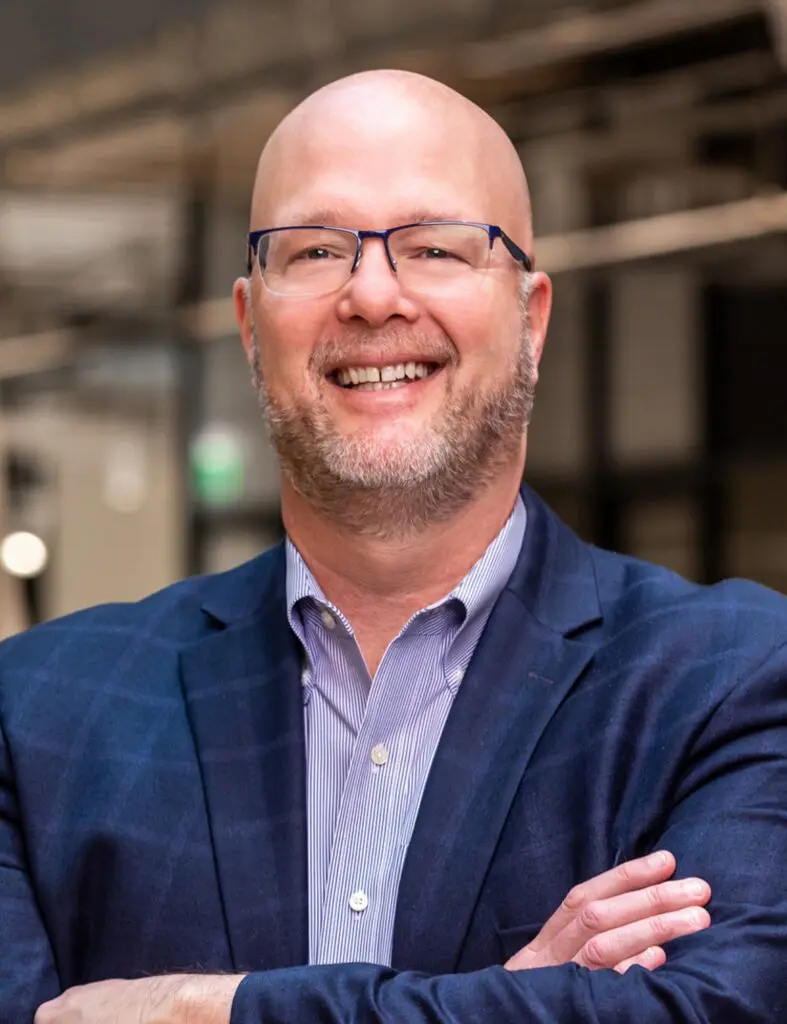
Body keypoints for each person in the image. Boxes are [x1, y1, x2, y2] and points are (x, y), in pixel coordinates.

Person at [3, 70, 787, 1024]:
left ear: (530, 318)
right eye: (316, 249)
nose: (373, 296)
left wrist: (205, 1009)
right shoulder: (34, 713)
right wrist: (504, 1006)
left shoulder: (732, 678)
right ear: (251, 326)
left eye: (434, 246)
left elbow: (718, 1011)